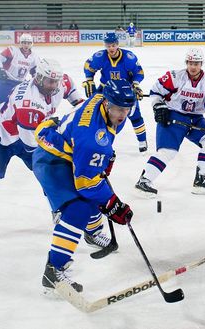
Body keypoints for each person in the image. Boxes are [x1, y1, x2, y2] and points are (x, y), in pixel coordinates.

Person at [0, 59, 84, 247]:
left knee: (52, 173)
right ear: (38, 78)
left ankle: (58, 210)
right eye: (49, 81)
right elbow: (31, 144)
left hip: (29, 132)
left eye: (56, 81)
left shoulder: (61, 81)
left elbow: (78, 104)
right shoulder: (28, 103)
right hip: (0, 137)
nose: (54, 86)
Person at [34, 79, 136, 293]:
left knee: (91, 201)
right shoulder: (91, 138)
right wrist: (113, 204)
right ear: (107, 104)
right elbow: (86, 185)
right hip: (52, 159)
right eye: (118, 108)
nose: (122, 114)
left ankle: (92, 232)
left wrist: (104, 156)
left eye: (127, 108)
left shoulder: (103, 99)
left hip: (69, 146)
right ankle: (54, 272)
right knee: (77, 209)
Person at [134, 47, 205, 197]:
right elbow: (156, 92)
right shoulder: (175, 76)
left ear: (201, 64)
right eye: (190, 63)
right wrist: (158, 106)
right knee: (168, 151)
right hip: (173, 116)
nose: (193, 66)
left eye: (196, 63)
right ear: (186, 62)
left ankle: (201, 181)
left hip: (195, 118)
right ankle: (144, 181)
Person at [82, 32, 147, 152]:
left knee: (134, 114)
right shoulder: (100, 56)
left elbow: (139, 73)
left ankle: (142, 140)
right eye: (108, 46)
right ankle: (95, 140)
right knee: (94, 112)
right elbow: (88, 67)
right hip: (105, 89)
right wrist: (89, 80)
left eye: (113, 45)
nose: (111, 48)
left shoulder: (129, 57)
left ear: (117, 44)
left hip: (124, 89)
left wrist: (136, 84)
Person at [0, 33, 39, 134]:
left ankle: (7, 127)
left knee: (14, 106)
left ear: (31, 44)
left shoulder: (34, 57)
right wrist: (0, 69)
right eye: (24, 43)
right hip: (5, 81)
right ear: (20, 43)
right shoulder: (12, 50)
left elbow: (35, 71)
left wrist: (36, 80)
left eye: (28, 43)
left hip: (19, 85)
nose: (26, 45)